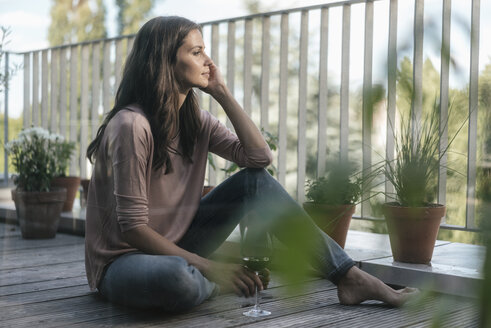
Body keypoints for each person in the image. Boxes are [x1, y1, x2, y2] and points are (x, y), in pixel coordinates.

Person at [84, 16, 417, 312]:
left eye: (205, 50)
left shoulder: (196, 121)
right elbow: (134, 229)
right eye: (196, 52)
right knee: (178, 279)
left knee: (253, 183)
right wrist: (213, 268)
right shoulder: (131, 125)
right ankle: (214, 279)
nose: (208, 61)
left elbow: (258, 159)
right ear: (164, 60)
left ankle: (349, 276)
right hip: (124, 260)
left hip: (179, 244)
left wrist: (223, 93)